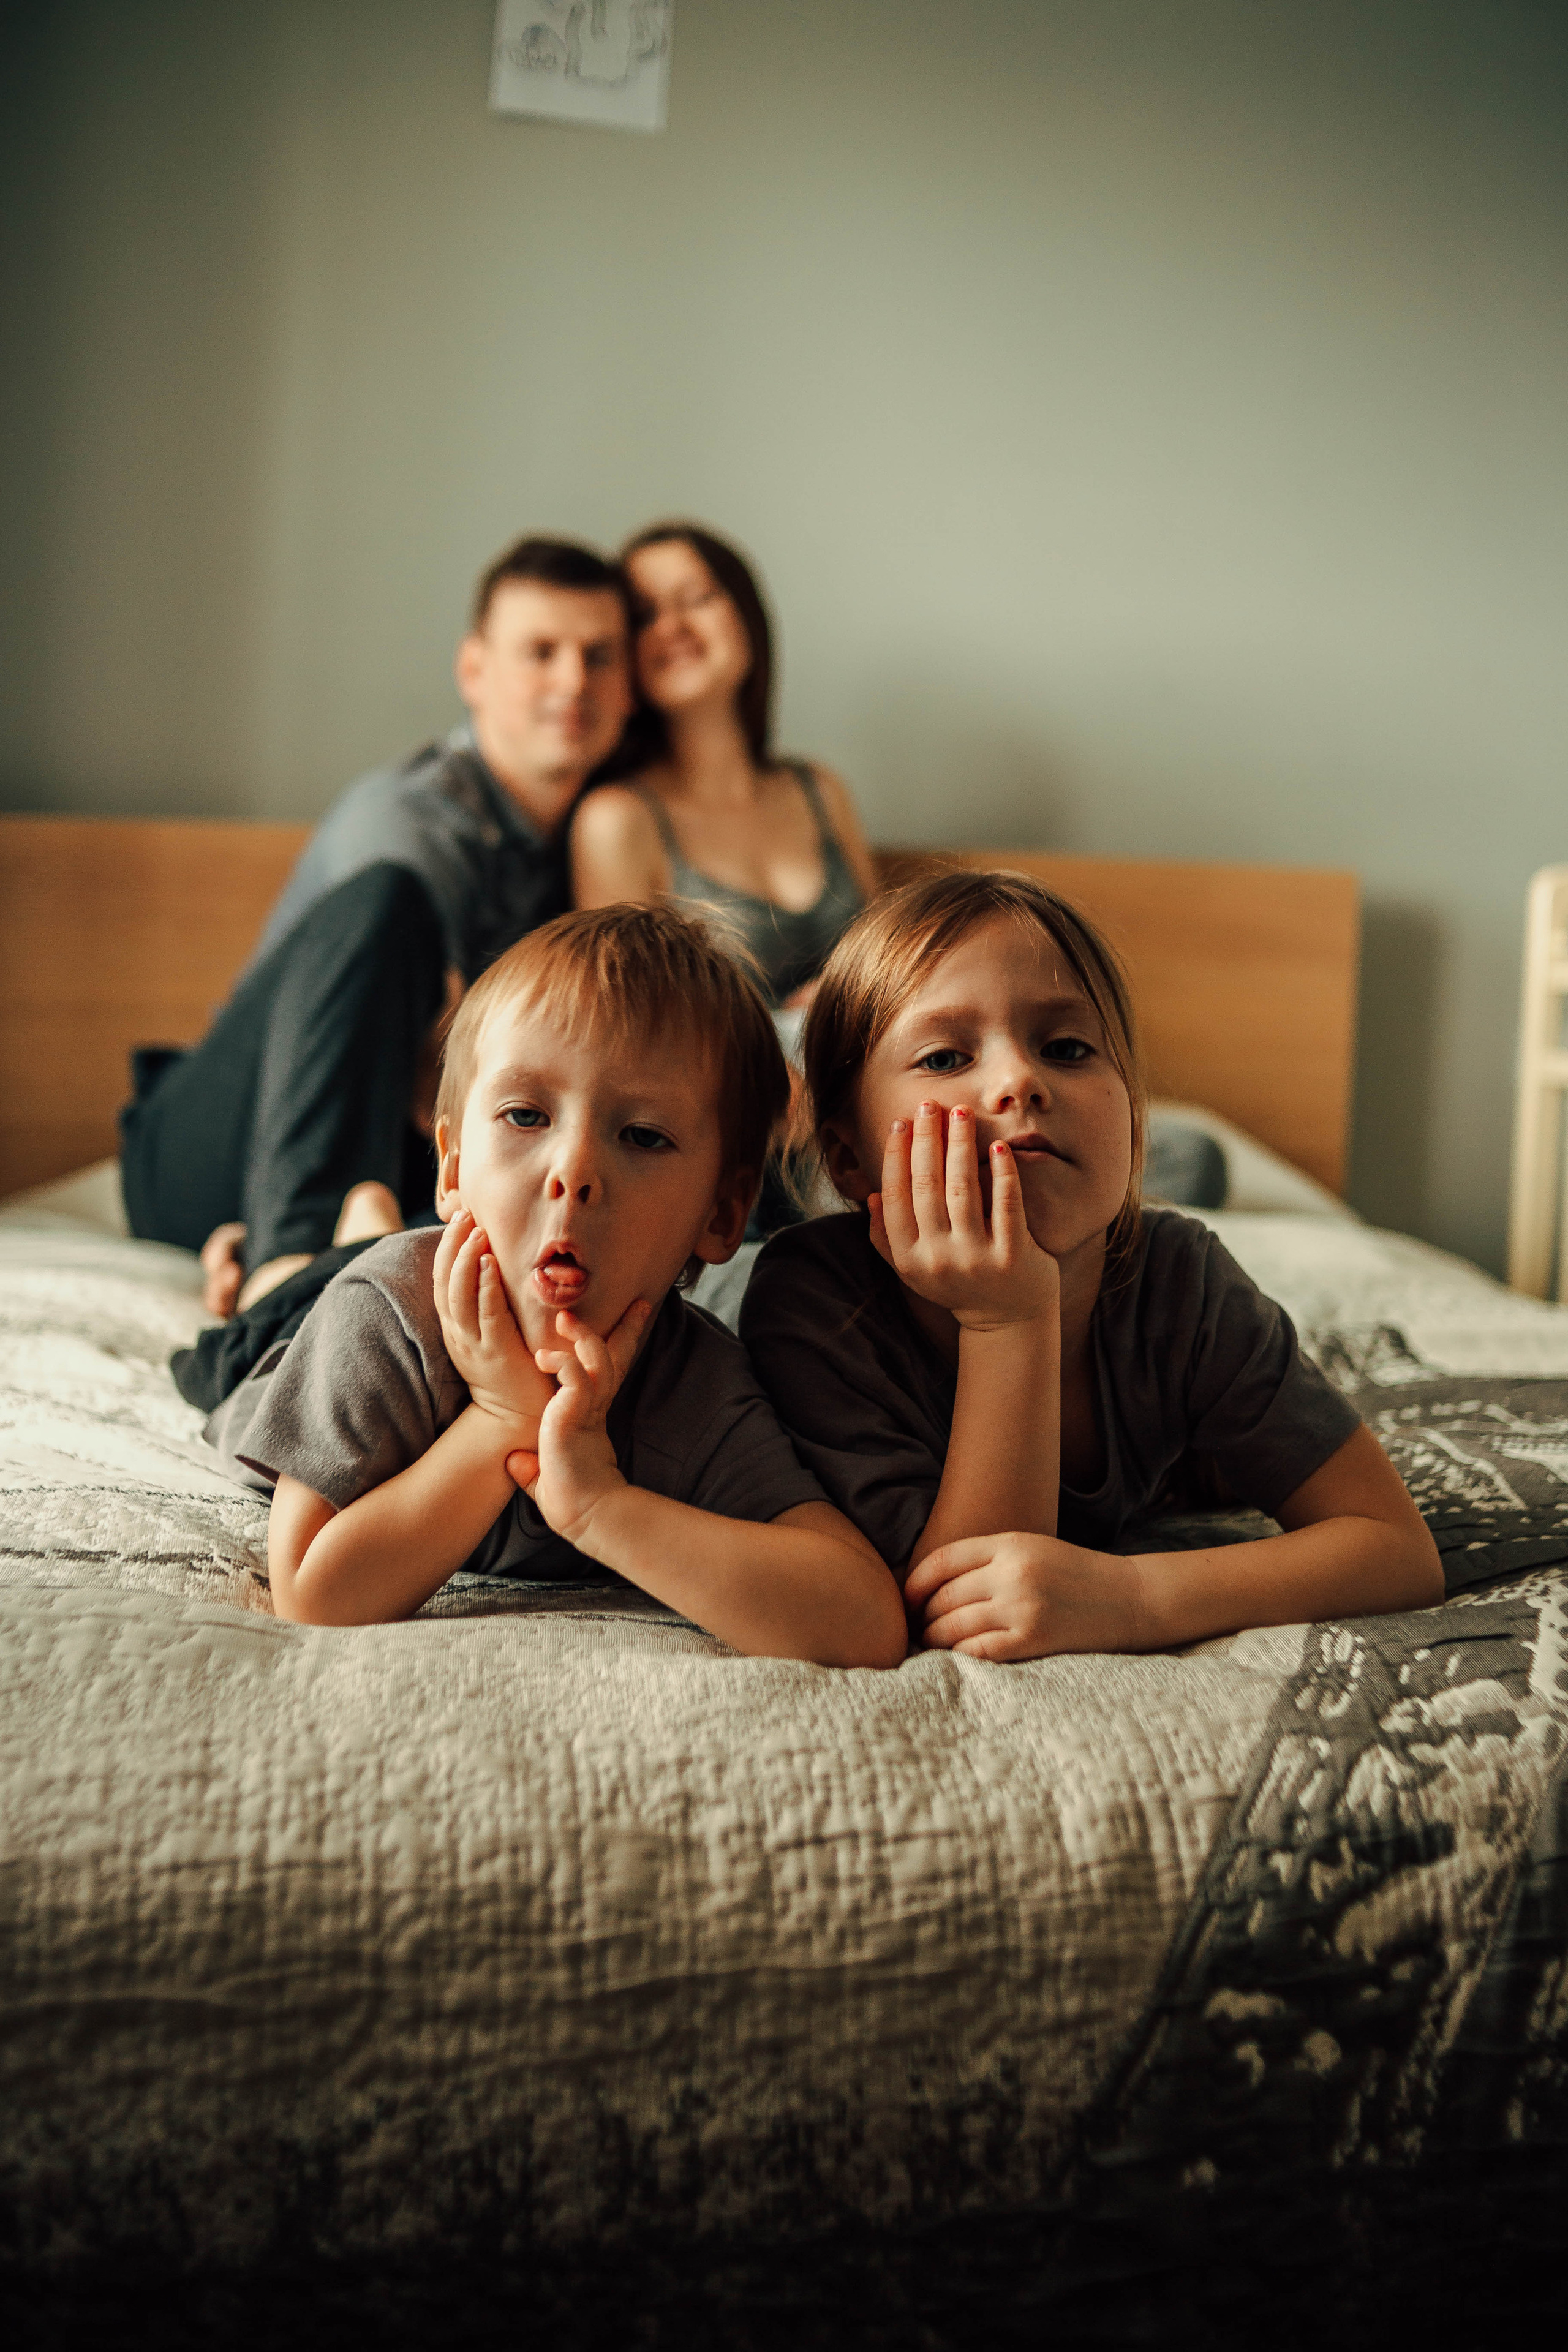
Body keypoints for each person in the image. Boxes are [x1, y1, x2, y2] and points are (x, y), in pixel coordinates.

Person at [739, 869, 1444, 1659]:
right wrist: (1009, 1317)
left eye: (1067, 1048)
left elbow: (1397, 1551)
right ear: (848, 1158)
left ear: (1134, 1119)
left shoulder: (1183, 1280)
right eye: (944, 1058)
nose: (1019, 1080)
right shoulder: (813, 1304)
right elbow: (958, 1606)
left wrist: (1136, 1596)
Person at [202, 902, 906, 1667]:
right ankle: (344, 1230)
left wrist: (602, 1506)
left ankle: (364, 1216)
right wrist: (504, 1418)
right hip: (284, 1334)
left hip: (456, 1248)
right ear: (451, 1165)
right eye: (525, 1115)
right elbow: (312, 1592)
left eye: (642, 1136)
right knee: (288, 1293)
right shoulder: (382, 1317)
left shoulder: (693, 1383)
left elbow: (863, 1621)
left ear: (724, 1213)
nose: (574, 1171)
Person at [121, 535, 635, 1321]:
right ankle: (283, 1271)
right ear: (474, 671)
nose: (573, 681)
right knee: (387, 907)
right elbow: (441, 1062)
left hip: (387, 1152)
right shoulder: (410, 818)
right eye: (541, 651)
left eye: (599, 656)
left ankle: (338, 1244)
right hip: (204, 1152)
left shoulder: (604, 841)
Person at [567, 523, 880, 1010]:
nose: (672, 627)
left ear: (747, 615)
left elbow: (892, 971)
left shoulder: (821, 790)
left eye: (697, 598)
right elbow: (630, 1033)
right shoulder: (616, 821)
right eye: (645, 615)